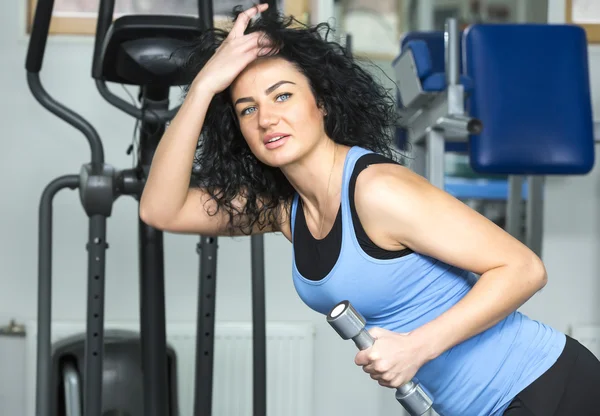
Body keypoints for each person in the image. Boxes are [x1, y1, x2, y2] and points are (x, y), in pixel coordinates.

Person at [139, 4, 600, 415]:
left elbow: (523, 268)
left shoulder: (377, 190)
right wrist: (202, 88)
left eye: (283, 96)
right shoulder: (286, 210)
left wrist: (416, 348)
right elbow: (162, 210)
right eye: (246, 108)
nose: (266, 118)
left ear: (320, 102)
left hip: (542, 387)